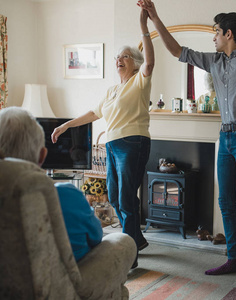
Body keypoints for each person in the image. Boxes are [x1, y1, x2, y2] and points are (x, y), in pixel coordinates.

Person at [138, 0, 236, 275]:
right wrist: (154, 18)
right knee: (224, 202)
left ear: (228, 34)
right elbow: (176, 50)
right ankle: (234, 259)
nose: (213, 37)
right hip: (225, 137)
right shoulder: (214, 61)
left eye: (216, 32)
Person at [51, 0, 155, 268]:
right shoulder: (111, 90)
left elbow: (151, 61)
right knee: (117, 194)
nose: (118, 60)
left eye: (124, 56)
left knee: (125, 196)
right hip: (112, 144)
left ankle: (130, 254)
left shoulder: (140, 81)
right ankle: (136, 239)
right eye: (116, 57)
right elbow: (92, 114)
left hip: (133, 141)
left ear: (135, 63)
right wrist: (65, 126)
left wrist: (143, 26)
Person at [0, 107, 103, 262]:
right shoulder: (68, 195)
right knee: (123, 243)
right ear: (43, 155)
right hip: (65, 281)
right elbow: (96, 236)